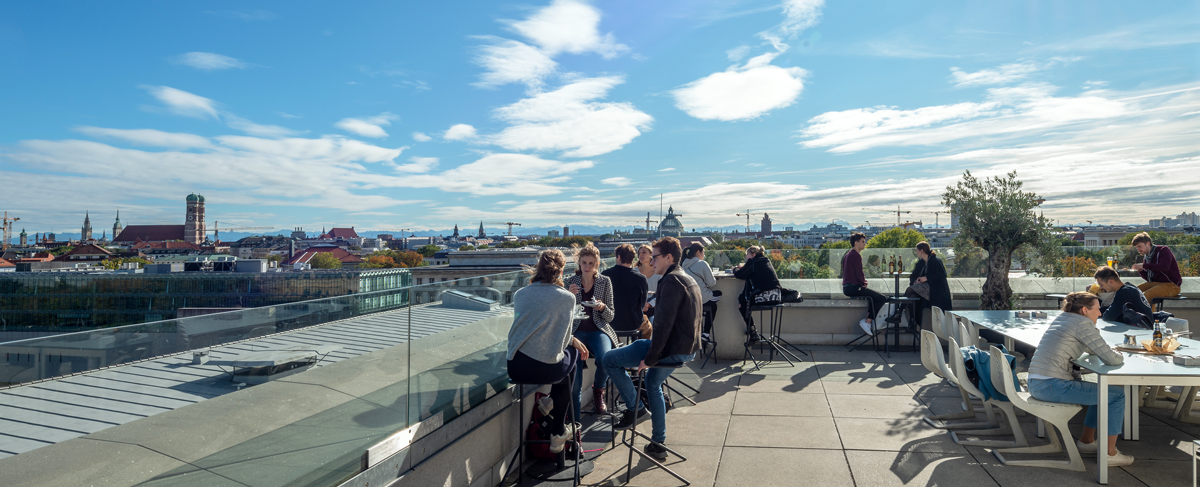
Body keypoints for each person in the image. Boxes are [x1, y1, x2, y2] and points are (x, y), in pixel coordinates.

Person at [604, 236, 701, 461]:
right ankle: (658, 443)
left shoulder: (671, 281)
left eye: (654, 257)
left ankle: (635, 408)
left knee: (609, 359)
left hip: (672, 347)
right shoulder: (685, 278)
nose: (649, 261)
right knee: (653, 383)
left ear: (668, 257)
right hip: (686, 349)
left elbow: (663, 326)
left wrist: (650, 358)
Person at [1026, 292, 1132, 466]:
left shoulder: (1064, 318)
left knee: (1102, 392)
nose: (1100, 314)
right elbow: (1111, 359)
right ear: (1084, 310)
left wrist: (1095, 333)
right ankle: (1109, 453)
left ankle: (1087, 441)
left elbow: (1092, 349)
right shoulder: (1082, 324)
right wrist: (1119, 354)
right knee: (1116, 394)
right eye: (1097, 309)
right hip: (1053, 385)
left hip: (1038, 383)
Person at [506, 249, 591, 454]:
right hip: (546, 369)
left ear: (538, 268)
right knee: (572, 357)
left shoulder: (520, 294)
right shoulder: (566, 298)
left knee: (569, 354)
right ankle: (558, 430)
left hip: (515, 367)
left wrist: (571, 340)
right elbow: (560, 340)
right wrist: (573, 341)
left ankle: (550, 403)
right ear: (561, 271)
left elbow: (533, 327)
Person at [564, 243, 618, 419]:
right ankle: (575, 423)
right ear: (578, 263)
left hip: (598, 329)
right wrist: (568, 297)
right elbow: (562, 314)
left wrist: (601, 307)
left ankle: (598, 390)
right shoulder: (569, 282)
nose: (587, 267)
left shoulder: (605, 282)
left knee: (605, 358)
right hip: (576, 331)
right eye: (584, 263)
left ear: (597, 264)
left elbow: (610, 317)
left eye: (591, 263)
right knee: (575, 376)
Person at [887, 241, 952, 323]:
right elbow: (913, 275)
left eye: (917, 250)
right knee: (912, 295)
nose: (916, 252)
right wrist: (915, 282)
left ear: (922, 251)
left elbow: (942, 276)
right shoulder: (921, 262)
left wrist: (926, 278)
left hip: (934, 290)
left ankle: (899, 313)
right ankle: (912, 322)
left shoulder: (935, 261)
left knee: (909, 290)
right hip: (924, 289)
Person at [842, 233, 888, 334]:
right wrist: (864, 282)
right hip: (853, 287)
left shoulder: (848, 255)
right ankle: (867, 322)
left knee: (874, 298)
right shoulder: (856, 255)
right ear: (856, 243)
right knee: (882, 298)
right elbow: (859, 272)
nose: (865, 244)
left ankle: (867, 321)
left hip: (848, 287)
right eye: (863, 242)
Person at [732, 245, 781, 340]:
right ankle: (752, 332)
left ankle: (753, 332)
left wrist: (734, 269)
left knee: (742, 303)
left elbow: (740, 274)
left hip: (765, 297)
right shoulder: (766, 260)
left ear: (753, 254)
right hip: (776, 296)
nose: (746, 257)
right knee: (744, 299)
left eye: (747, 255)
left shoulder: (753, 261)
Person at [601, 243, 649, 334]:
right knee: (648, 326)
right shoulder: (641, 279)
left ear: (618, 257)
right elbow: (641, 305)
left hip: (609, 323)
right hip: (632, 324)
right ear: (633, 258)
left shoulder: (605, 275)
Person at [1130, 232, 1182, 301]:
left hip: (1172, 285)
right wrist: (1141, 270)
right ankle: (1133, 311)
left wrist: (1144, 265)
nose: (1138, 250)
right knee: (1133, 293)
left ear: (1148, 244)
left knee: (1148, 294)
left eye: (1139, 246)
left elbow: (1165, 267)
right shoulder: (1147, 257)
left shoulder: (1163, 250)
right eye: (1136, 248)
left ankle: (1149, 312)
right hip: (1155, 284)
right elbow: (1149, 279)